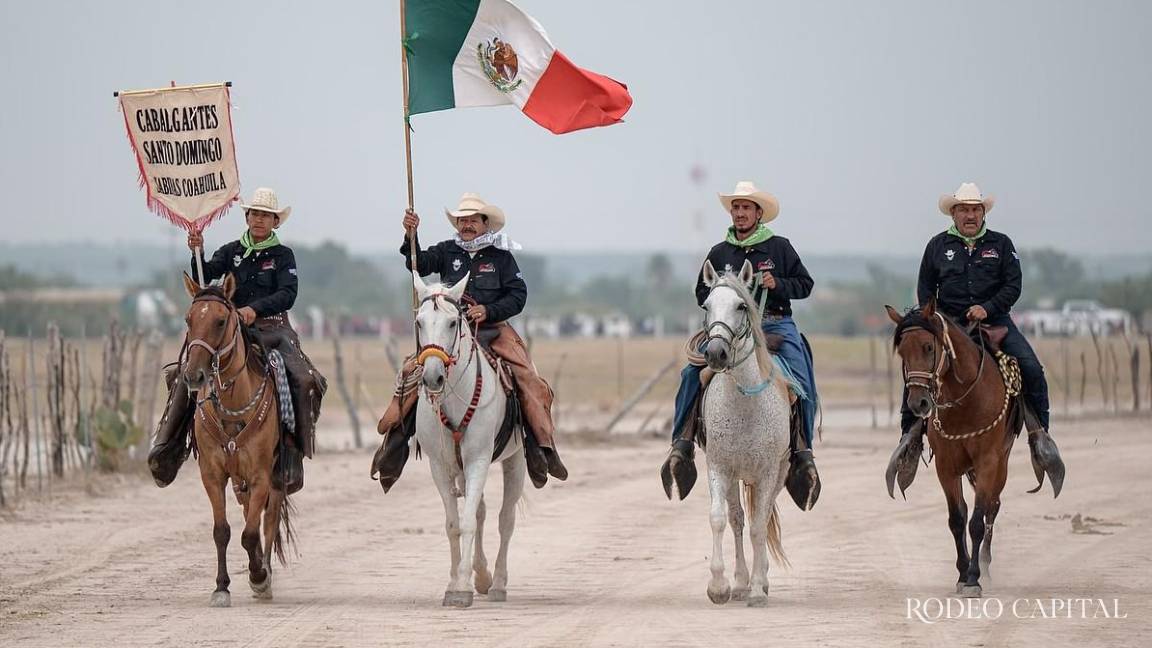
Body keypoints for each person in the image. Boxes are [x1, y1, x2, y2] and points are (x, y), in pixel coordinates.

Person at [372, 193, 567, 491]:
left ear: (485, 223)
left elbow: (518, 295)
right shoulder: (447, 251)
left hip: (493, 330)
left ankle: (540, 446)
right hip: (451, 332)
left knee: (526, 376)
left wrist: (489, 310)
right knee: (413, 372)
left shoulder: (501, 256)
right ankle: (394, 446)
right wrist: (411, 235)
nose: (467, 225)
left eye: (473, 220)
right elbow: (418, 263)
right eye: (462, 220)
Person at [148, 187, 327, 494]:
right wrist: (197, 252)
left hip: (274, 329)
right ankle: (170, 444)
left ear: (275, 222)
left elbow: (288, 294)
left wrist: (254, 309)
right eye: (254, 214)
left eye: (266, 216)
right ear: (247, 217)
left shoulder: (283, 256)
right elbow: (204, 276)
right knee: (185, 371)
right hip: (231, 329)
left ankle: (291, 452)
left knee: (304, 379)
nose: (259, 220)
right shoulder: (230, 251)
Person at [661, 181, 821, 509]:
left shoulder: (780, 248)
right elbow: (701, 292)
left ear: (759, 213)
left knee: (802, 379)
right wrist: (721, 295)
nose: (740, 213)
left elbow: (805, 284)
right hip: (731, 328)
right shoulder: (720, 253)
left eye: (746, 207)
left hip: (775, 324)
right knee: (691, 374)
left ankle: (803, 452)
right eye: (736, 207)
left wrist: (778, 284)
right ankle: (682, 443)